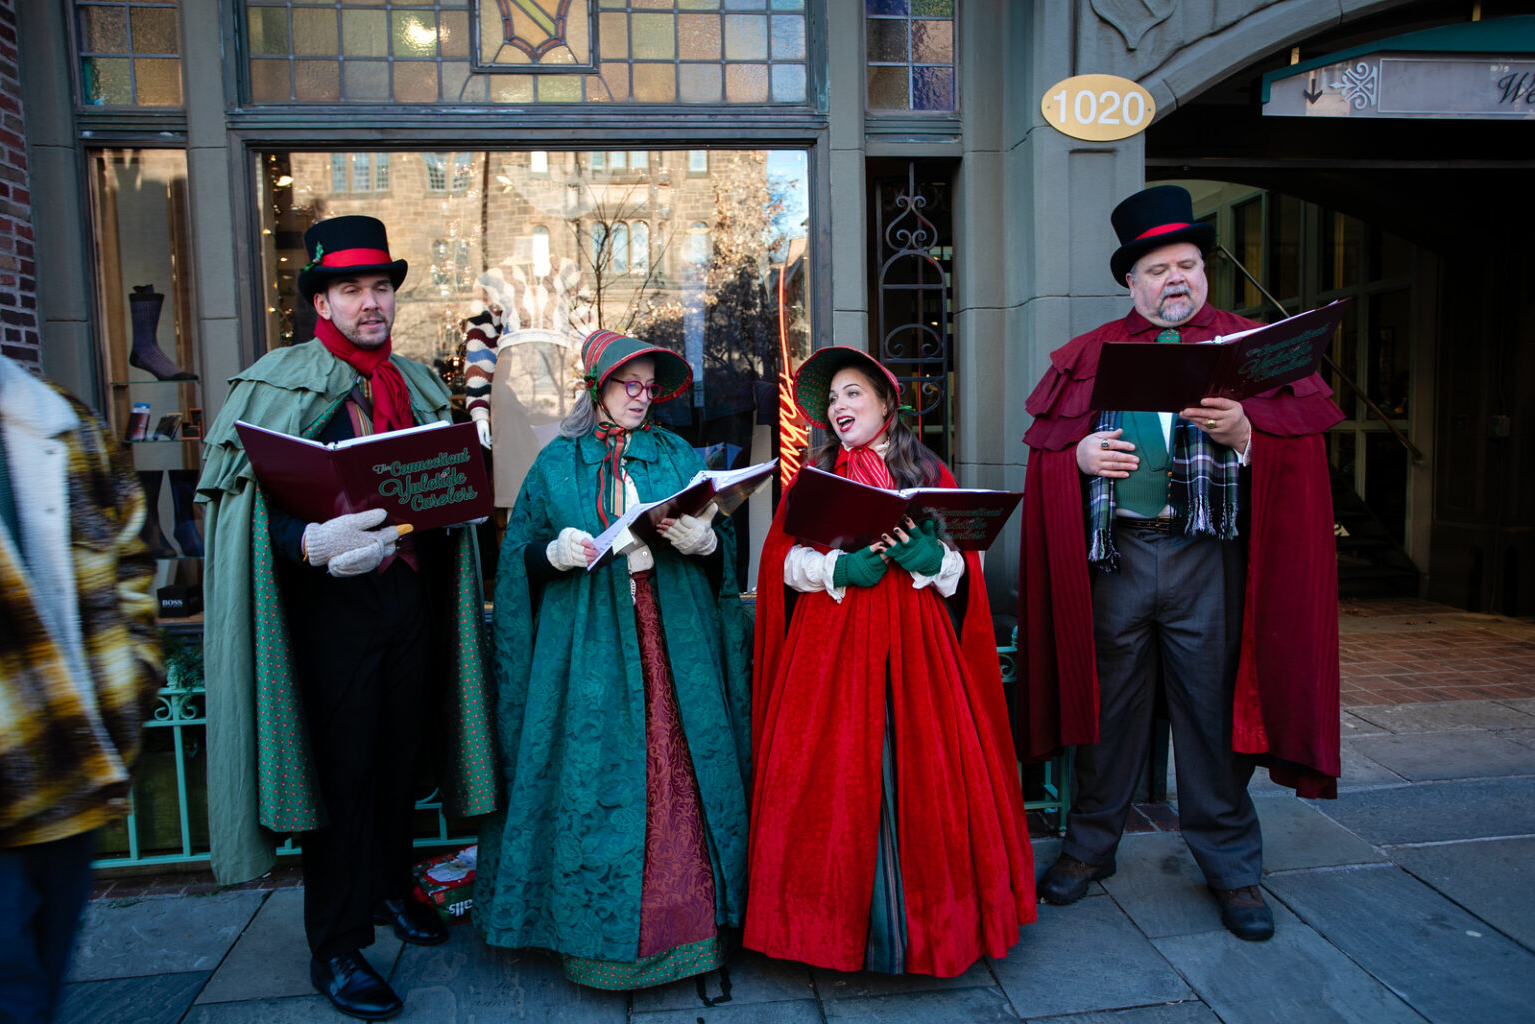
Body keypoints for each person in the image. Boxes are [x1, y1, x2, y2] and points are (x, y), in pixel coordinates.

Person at [1016, 185, 1343, 942]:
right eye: (1157, 268)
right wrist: (1079, 457)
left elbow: (1303, 454)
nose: (1175, 280)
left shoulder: (1252, 348)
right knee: (1107, 716)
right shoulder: (1090, 354)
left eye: (1188, 265)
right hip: (1118, 560)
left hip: (1209, 561)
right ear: (1131, 283)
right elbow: (1046, 455)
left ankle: (1231, 867)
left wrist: (1246, 433)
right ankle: (1090, 847)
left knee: (1212, 714)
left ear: (1205, 272)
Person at [197, 216, 499, 1020]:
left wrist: (453, 503)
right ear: (322, 302)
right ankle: (335, 945)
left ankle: (393, 887)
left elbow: (439, 484)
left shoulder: (418, 382)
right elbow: (233, 511)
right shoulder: (273, 383)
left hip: (410, 600)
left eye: (381, 288)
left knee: (401, 759)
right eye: (352, 289)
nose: (372, 303)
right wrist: (308, 542)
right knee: (343, 775)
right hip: (326, 615)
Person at [474, 329, 752, 990]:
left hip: (671, 641)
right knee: (597, 778)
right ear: (598, 386)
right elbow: (517, 563)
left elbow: (724, 549)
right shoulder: (556, 464)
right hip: (588, 655)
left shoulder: (676, 454)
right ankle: (593, 943)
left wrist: (706, 542)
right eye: (631, 384)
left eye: (651, 387)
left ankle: (692, 934)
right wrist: (555, 554)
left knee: (675, 772)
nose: (641, 396)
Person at [745, 346, 1035, 978]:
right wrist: (835, 567)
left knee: (921, 763)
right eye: (832, 399)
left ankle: (929, 929)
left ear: (885, 403)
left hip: (916, 646)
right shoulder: (813, 476)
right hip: (831, 648)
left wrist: (935, 562)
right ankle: (828, 928)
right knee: (836, 767)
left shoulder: (928, 471)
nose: (839, 406)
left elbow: (965, 573)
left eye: (853, 393)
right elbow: (780, 566)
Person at [0, 354, 162, 1024]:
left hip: (71, 774)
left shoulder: (66, 423)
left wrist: (132, 678)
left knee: (39, 985)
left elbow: (130, 559)